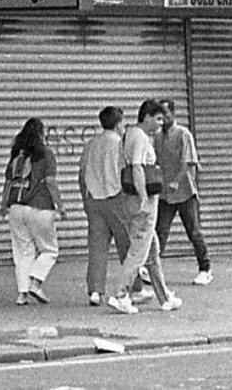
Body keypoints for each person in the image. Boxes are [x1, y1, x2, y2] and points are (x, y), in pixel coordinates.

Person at [107, 98, 179, 315]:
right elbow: (137, 168)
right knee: (139, 250)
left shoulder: (130, 134)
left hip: (133, 200)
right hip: (143, 201)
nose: (161, 123)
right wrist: (144, 198)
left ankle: (164, 297)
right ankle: (120, 294)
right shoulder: (139, 137)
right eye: (157, 119)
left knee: (151, 250)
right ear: (146, 117)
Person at [0, 115, 63, 304]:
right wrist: (60, 205)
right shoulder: (46, 154)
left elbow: (8, 183)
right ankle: (36, 281)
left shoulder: (17, 156)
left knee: (22, 251)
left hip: (16, 208)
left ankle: (22, 294)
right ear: (42, 134)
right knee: (50, 250)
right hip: (39, 206)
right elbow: (50, 182)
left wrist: (3, 205)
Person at [78, 104, 130, 304]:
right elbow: (127, 172)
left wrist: (85, 198)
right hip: (116, 198)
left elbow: (81, 174)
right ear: (118, 124)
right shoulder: (120, 144)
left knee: (97, 248)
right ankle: (132, 288)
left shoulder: (90, 144)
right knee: (126, 245)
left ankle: (95, 291)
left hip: (94, 200)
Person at [156, 98, 212, 283]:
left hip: (185, 193)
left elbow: (187, 163)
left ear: (173, 113)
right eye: (159, 114)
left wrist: (176, 181)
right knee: (160, 231)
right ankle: (151, 269)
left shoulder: (183, 134)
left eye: (165, 113)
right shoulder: (157, 136)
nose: (162, 117)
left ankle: (205, 269)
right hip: (165, 194)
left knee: (194, 231)